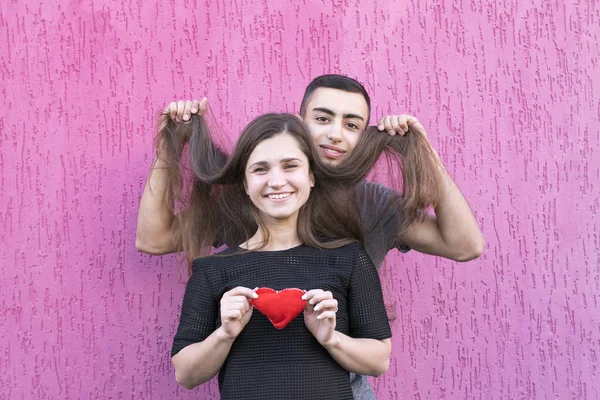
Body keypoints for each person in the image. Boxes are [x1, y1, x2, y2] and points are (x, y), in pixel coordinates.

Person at [136, 74, 485, 399]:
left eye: (351, 125)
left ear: (363, 136)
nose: (335, 133)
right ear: (300, 121)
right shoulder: (251, 199)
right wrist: (171, 144)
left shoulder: (372, 204)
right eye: (323, 118)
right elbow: (154, 240)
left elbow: (465, 245)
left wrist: (422, 152)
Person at [169, 113, 401, 399]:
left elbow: (379, 361)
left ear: (311, 177)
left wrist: (330, 338)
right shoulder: (212, 270)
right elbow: (186, 374)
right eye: (260, 169)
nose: (276, 181)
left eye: (290, 166)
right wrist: (225, 334)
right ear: (245, 183)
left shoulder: (350, 258)